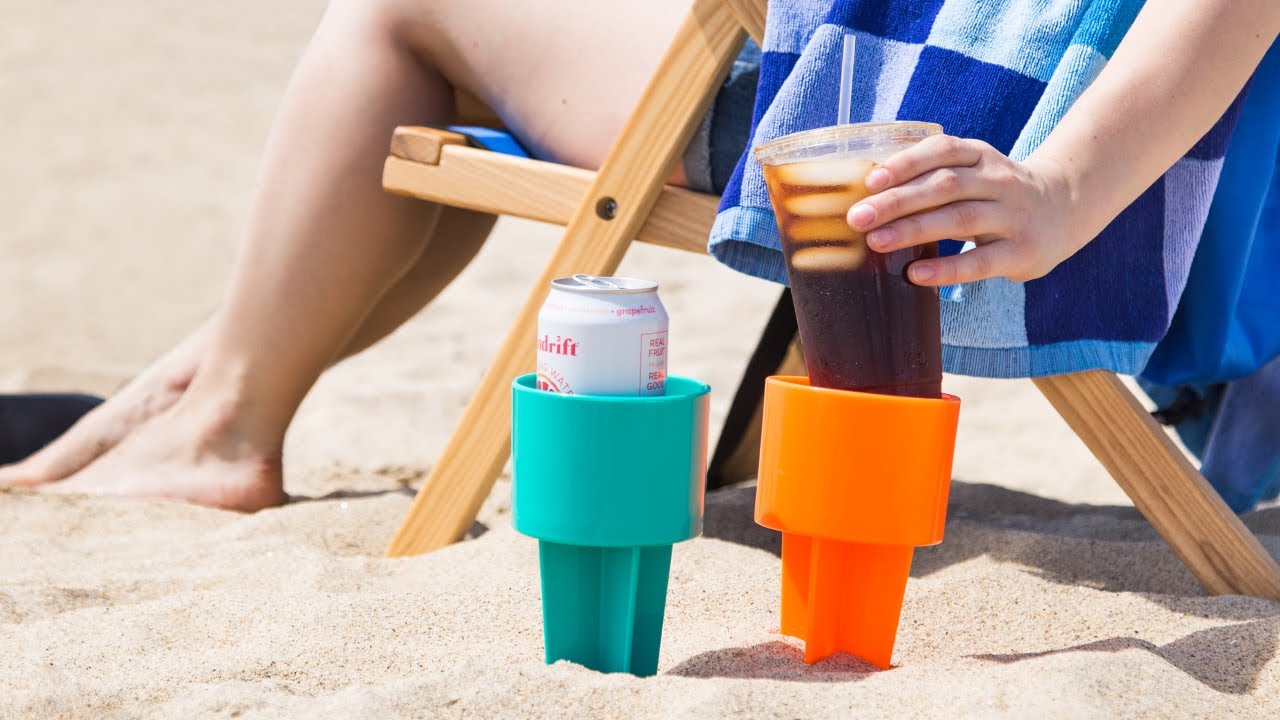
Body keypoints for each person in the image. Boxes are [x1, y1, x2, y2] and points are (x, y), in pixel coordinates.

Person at [2, 0, 1277, 511]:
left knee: (408, 9)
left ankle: (221, 423)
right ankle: (214, 376)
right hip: (1058, 142)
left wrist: (1060, 187)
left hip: (934, 144)